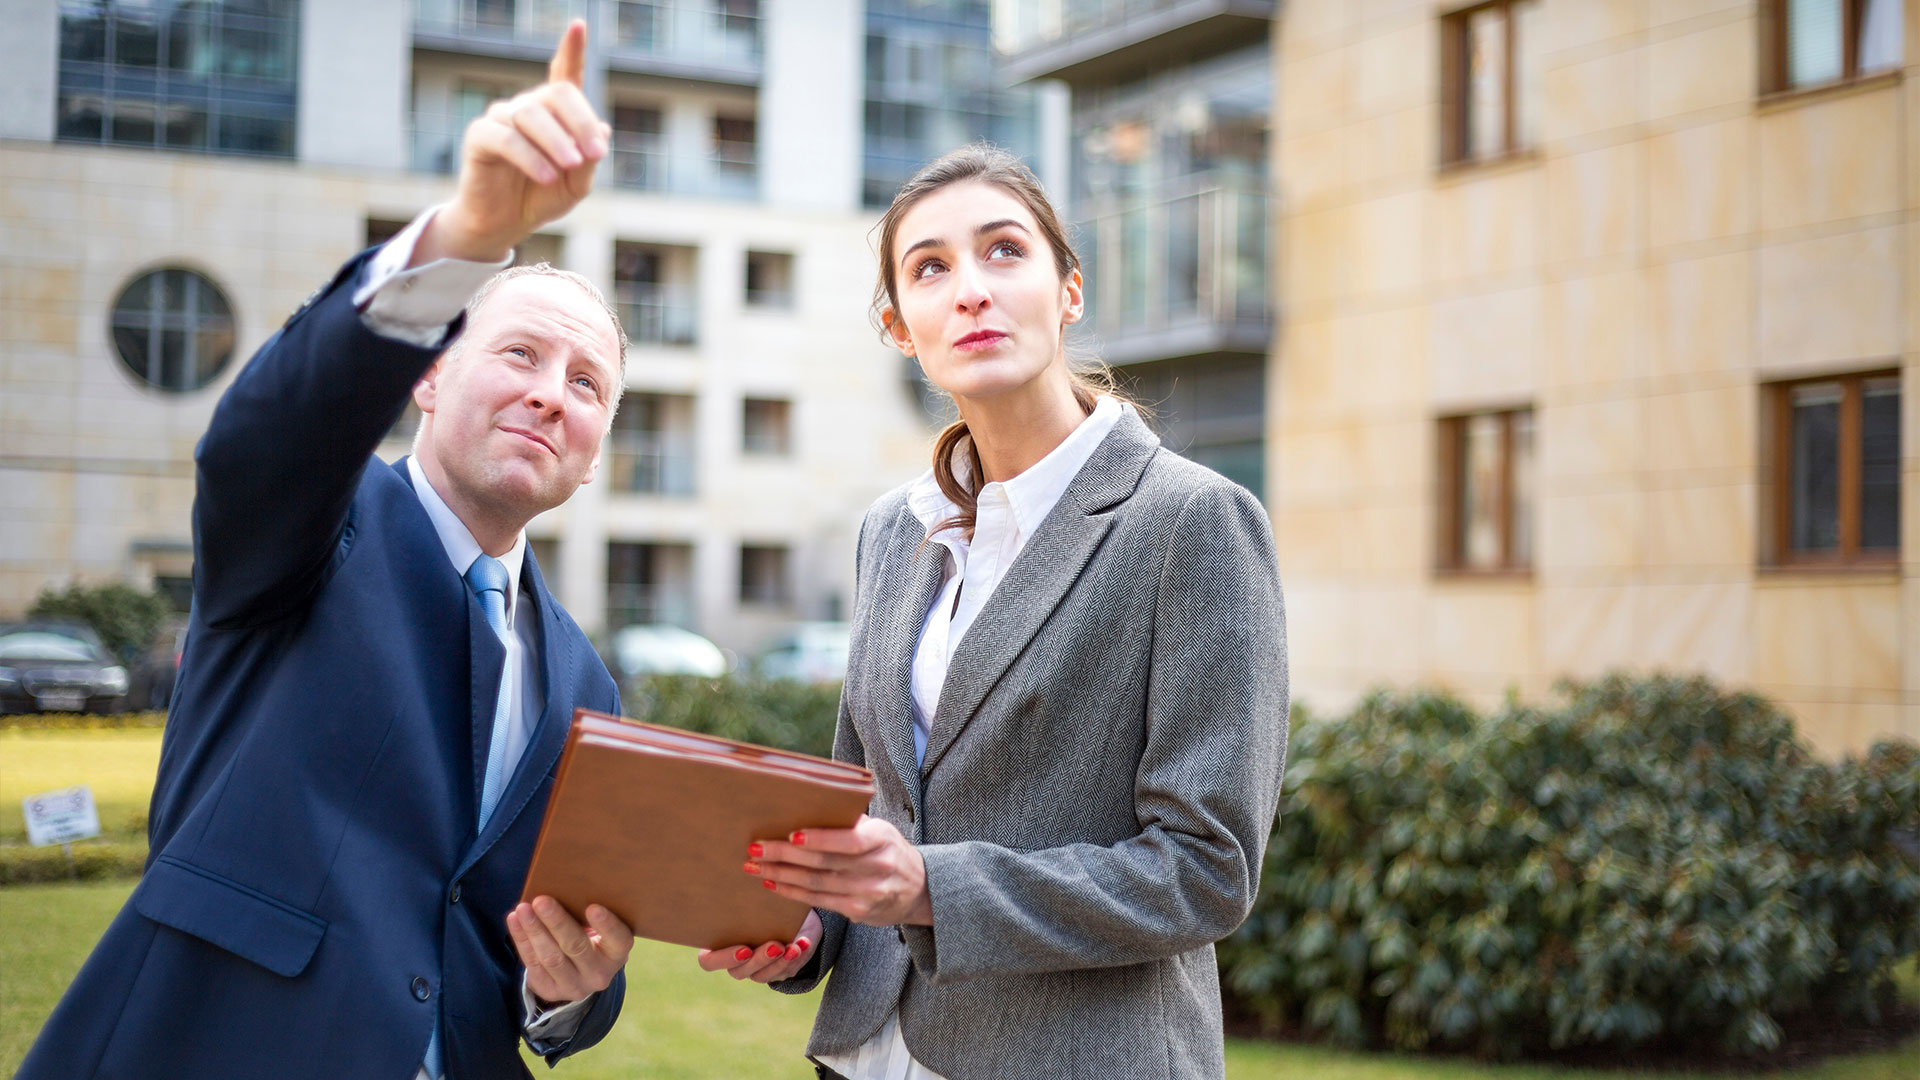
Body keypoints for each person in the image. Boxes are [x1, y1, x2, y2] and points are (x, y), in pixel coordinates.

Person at [19, 22, 638, 1080]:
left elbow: (542, 939)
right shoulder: (312, 523)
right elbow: (270, 431)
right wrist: (473, 234)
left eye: (587, 385)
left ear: (593, 460)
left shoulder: (588, 687)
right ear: (430, 377)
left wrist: (566, 992)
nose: (550, 391)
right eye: (521, 353)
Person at [697, 144, 1290, 1079]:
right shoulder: (894, 531)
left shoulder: (1190, 522)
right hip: (865, 1057)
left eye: (1004, 250)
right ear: (900, 326)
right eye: (930, 267)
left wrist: (932, 888)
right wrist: (811, 921)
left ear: (1070, 291)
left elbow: (1206, 870)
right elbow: (877, 813)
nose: (970, 289)